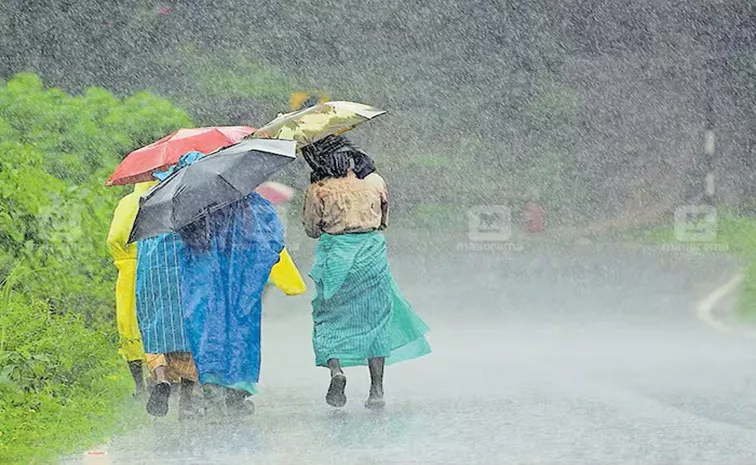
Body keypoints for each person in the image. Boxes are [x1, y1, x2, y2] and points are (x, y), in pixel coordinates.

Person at [301, 137, 431, 409]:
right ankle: (376, 389)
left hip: (336, 258)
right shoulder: (375, 182)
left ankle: (336, 370)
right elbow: (383, 221)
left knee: (329, 318)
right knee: (376, 318)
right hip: (371, 257)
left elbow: (312, 229)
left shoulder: (319, 189)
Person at [176, 192, 289, 415]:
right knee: (240, 330)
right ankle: (237, 392)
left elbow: (185, 238)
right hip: (242, 277)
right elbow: (273, 240)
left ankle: (212, 391)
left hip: (203, 275)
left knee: (206, 329)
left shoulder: (191, 202)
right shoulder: (252, 202)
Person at [106, 181, 156, 397]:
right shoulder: (165, 198)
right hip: (157, 269)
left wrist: (124, 256)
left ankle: (139, 386)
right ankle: (162, 376)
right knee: (158, 324)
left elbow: (114, 238)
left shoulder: (127, 202)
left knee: (129, 325)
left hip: (129, 271)